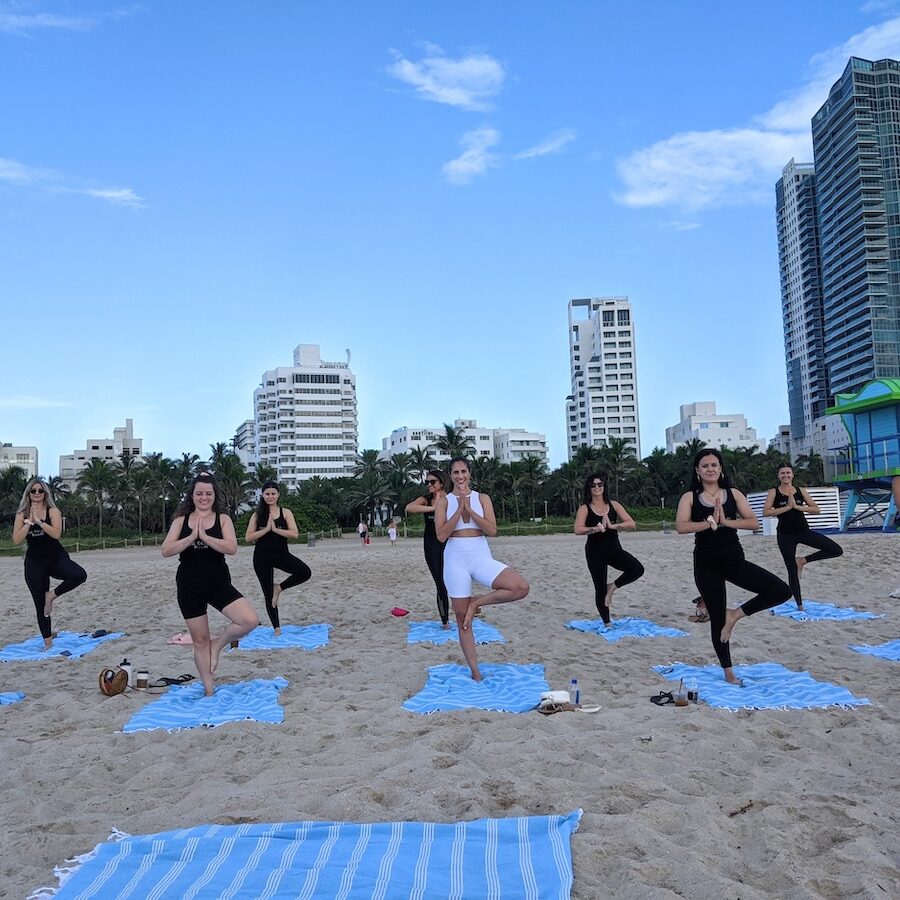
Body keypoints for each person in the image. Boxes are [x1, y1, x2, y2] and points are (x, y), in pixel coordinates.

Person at [676, 449, 791, 685]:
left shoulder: (733, 493)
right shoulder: (689, 497)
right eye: (705, 465)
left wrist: (725, 521)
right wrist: (708, 523)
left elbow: (752, 522)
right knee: (717, 620)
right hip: (706, 564)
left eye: (714, 465)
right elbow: (681, 526)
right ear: (697, 470)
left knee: (781, 591)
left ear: (721, 469)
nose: (710, 469)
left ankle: (735, 614)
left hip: (733, 560)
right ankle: (729, 673)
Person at [161, 473, 259, 696]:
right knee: (199, 640)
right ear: (192, 496)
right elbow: (166, 550)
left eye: (208, 493)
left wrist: (205, 537)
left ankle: (219, 644)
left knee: (249, 620)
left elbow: (232, 548)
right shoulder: (181, 520)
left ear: (214, 495)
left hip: (217, 582)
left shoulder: (222, 519)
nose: (204, 497)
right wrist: (191, 538)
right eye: (199, 494)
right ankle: (208, 690)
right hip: (188, 584)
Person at [435, 456, 529, 680]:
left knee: (519, 587)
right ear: (451, 476)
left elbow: (492, 529)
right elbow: (440, 536)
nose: (460, 476)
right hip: (455, 556)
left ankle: (476, 602)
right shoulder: (444, 501)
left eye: (464, 472)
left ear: (469, 474)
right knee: (461, 618)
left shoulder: (482, 498)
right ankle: (475, 671)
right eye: (456, 473)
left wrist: (470, 509)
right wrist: (458, 510)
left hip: (479, 554)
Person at [12, 478, 86, 649]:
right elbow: (16, 539)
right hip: (34, 561)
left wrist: (39, 522)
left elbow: (56, 534)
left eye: (40, 491)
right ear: (28, 493)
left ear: (45, 493)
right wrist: (29, 522)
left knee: (79, 575)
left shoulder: (53, 511)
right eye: (33, 491)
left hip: (55, 557)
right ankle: (48, 643)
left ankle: (51, 596)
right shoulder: (21, 514)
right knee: (40, 605)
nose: (37, 494)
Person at [763, 464, 843, 610]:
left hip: (803, 532)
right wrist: (786, 508)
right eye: (782, 473)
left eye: (788, 473)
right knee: (791, 571)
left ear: (792, 475)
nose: (785, 475)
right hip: (785, 535)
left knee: (836, 550)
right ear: (778, 475)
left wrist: (798, 507)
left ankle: (803, 560)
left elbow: (816, 509)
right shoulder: (773, 492)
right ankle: (799, 604)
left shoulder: (800, 491)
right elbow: (766, 512)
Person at [573, 473, 644, 624]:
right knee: (600, 588)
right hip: (595, 552)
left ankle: (612, 586)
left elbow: (631, 523)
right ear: (589, 488)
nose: (597, 487)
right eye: (593, 485)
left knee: (637, 569)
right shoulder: (585, 508)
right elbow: (578, 529)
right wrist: (594, 529)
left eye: (600, 484)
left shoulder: (614, 505)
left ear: (604, 486)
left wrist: (612, 526)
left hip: (614, 550)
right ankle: (607, 622)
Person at [244, 481, 311, 635]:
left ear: (278, 495)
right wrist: (267, 529)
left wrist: (276, 530)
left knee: (305, 572)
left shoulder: (285, 512)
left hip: (282, 555)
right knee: (268, 595)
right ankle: (277, 628)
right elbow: (248, 537)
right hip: (261, 558)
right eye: (267, 494)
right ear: (262, 495)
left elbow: (294, 534)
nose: (270, 496)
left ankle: (279, 587)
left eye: (273, 493)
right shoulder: (257, 515)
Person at [405, 469, 451, 627]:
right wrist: (433, 509)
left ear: (442, 483)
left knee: (456, 580)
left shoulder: (450, 498)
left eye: (432, 482)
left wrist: (440, 506)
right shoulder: (426, 499)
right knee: (440, 583)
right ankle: (445, 621)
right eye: (427, 482)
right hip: (431, 544)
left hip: (449, 543)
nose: (429, 485)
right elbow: (410, 508)